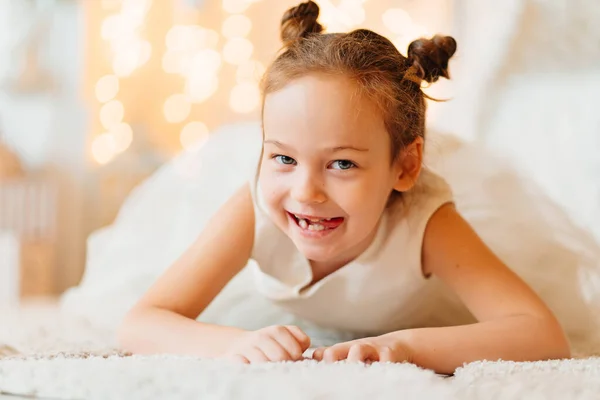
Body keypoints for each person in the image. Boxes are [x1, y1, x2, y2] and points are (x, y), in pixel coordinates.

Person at [117, 0, 570, 375]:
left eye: (341, 163)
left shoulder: (426, 222)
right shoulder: (254, 209)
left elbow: (541, 333)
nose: (306, 191)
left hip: (420, 321)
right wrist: (235, 345)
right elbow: (141, 323)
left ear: (405, 167)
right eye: (284, 158)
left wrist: (405, 347)